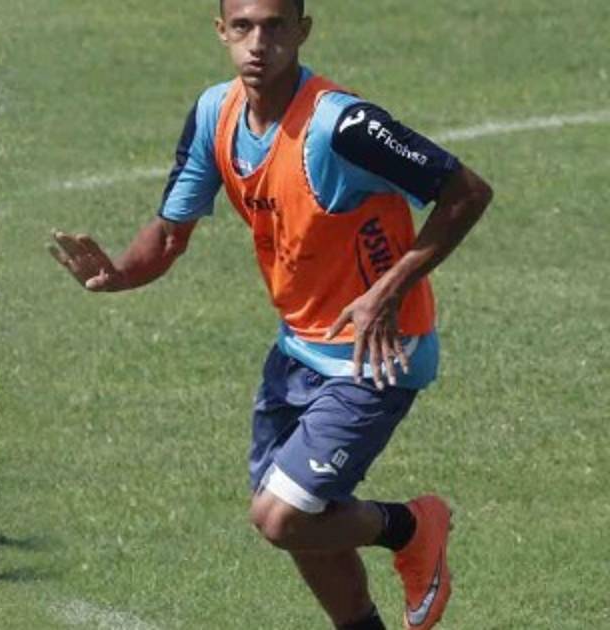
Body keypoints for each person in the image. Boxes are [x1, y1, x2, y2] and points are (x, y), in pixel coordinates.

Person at [48, 1, 493, 628]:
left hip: (376, 354)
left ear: (302, 31)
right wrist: (122, 273)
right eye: (244, 26)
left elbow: (467, 192)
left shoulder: (343, 126)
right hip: (295, 351)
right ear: (222, 31)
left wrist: (390, 289)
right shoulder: (216, 113)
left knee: (281, 517)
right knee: (306, 521)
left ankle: (412, 526)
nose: (259, 43)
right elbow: (171, 234)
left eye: (276, 26)